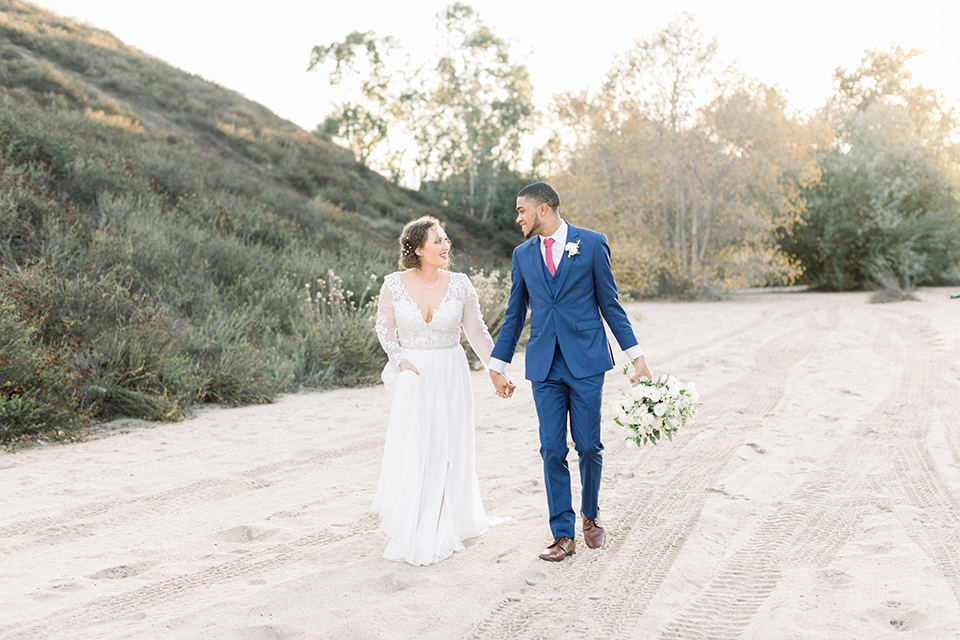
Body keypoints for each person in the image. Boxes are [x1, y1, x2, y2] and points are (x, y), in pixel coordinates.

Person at [489, 182, 652, 562]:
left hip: (585, 361)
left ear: (543, 209)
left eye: (522, 211)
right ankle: (562, 534)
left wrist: (636, 356)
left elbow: (610, 304)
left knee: (589, 445)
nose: (518, 218)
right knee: (551, 449)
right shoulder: (522, 255)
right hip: (544, 363)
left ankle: (591, 516)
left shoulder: (592, 244)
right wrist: (498, 364)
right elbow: (515, 314)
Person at [372, 216, 500, 566]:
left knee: (449, 444)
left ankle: (447, 519)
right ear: (417, 249)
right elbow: (385, 327)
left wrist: (496, 368)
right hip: (413, 374)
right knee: (416, 445)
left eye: (446, 240)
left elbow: (477, 331)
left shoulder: (460, 284)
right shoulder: (393, 285)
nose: (446, 246)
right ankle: (413, 519)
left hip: (450, 371)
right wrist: (399, 362)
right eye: (438, 241)